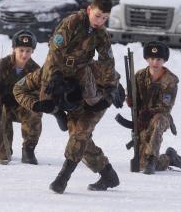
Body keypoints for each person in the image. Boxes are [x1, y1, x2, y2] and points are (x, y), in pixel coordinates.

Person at [14, 60, 125, 194]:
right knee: (80, 142)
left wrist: (114, 90)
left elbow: (111, 75)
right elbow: (18, 89)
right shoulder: (44, 74)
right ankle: (109, 176)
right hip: (73, 109)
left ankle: (63, 177)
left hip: (95, 102)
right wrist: (36, 105)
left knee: (79, 135)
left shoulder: (87, 69)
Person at [127, 41, 181, 174]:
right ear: (146, 59)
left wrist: (148, 112)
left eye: (158, 59)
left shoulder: (170, 80)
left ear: (164, 60)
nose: (154, 62)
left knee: (158, 120)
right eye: (151, 58)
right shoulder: (139, 76)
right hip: (142, 120)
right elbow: (133, 97)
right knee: (140, 164)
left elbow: (165, 107)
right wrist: (129, 100)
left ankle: (152, 159)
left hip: (161, 116)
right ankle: (170, 158)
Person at [0, 30, 42, 165]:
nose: (24, 54)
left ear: (32, 51)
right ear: (14, 49)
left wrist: (22, 98)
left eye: (28, 50)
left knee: (36, 106)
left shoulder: (36, 70)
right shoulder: (1, 65)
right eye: (21, 50)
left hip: (23, 108)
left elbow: (41, 93)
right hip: (3, 107)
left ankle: (28, 150)